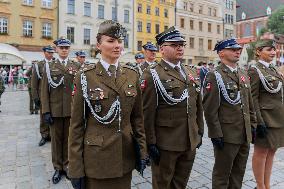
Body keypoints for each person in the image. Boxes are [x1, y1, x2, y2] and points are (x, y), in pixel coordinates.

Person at [68, 20, 148, 189]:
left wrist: (142, 150)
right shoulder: (85, 76)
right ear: (99, 45)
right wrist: (75, 168)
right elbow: (76, 126)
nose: (117, 45)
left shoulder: (132, 75)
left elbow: (137, 119)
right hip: (97, 159)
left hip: (125, 156)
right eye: (111, 41)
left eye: (120, 41)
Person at [141, 26, 204, 189]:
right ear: (162, 48)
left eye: (182, 44)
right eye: (174, 44)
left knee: (181, 183)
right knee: (163, 183)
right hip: (166, 142)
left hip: (189, 139)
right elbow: (147, 113)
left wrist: (199, 132)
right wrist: (150, 142)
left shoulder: (191, 72)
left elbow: (197, 105)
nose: (180, 47)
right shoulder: (153, 74)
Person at [202, 38, 257, 189]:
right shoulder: (214, 75)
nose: (237, 51)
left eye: (238, 49)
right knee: (222, 175)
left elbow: (249, 103)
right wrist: (215, 134)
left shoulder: (242, 73)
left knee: (238, 173)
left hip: (244, 133)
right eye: (232, 49)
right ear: (221, 53)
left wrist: (252, 125)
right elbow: (209, 109)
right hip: (226, 135)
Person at [41, 37, 80, 184]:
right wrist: (46, 111)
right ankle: (58, 168)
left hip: (71, 111)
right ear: (56, 49)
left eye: (66, 47)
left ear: (69, 49)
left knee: (69, 140)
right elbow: (44, 90)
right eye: (61, 47)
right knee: (56, 142)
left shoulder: (76, 66)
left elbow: (79, 90)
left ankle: (67, 165)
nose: (64, 50)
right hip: (55, 110)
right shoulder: (49, 67)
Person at [248, 39, 284, 189]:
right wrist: (258, 121)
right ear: (258, 51)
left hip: (278, 118)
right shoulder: (254, 70)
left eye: (274, 49)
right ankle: (260, 186)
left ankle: (267, 185)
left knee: (272, 152)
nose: (273, 52)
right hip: (265, 119)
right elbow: (253, 98)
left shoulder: (273, 69)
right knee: (261, 152)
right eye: (269, 49)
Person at [31, 45, 55, 146]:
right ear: (44, 52)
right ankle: (44, 135)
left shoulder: (56, 64)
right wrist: (35, 98)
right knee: (43, 117)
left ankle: (53, 135)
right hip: (43, 96)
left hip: (54, 96)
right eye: (48, 52)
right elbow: (34, 84)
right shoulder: (39, 65)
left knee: (54, 116)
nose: (50, 54)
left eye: (52, 52)